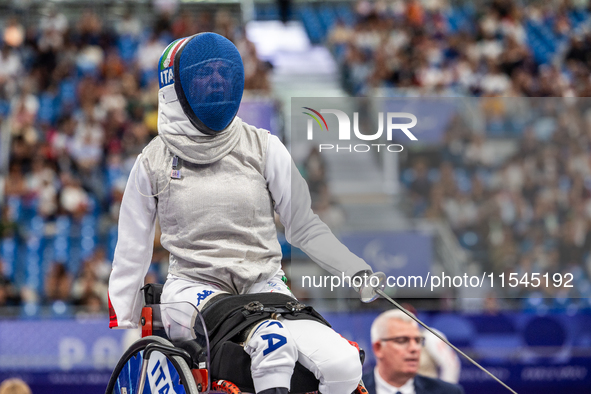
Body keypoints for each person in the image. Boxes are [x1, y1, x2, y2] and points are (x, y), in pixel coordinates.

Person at [108, 32, 384, 394]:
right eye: (205, 72)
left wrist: (355, 270)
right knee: (275, 345)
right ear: (175, 85)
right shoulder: (153, 161)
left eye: (225, 71)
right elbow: (133, 247)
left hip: (263, 286)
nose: (218, 79)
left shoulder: (264, 147)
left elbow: (304, 226)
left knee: (343, 362)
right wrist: (126, 319)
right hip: (192, 291)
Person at [363, 310, 464, 394]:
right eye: (402, 340)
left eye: (417, 340)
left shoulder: (449, 392)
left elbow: (451, 365)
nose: (414, 348)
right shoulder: (351, 390)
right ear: (378, 348)